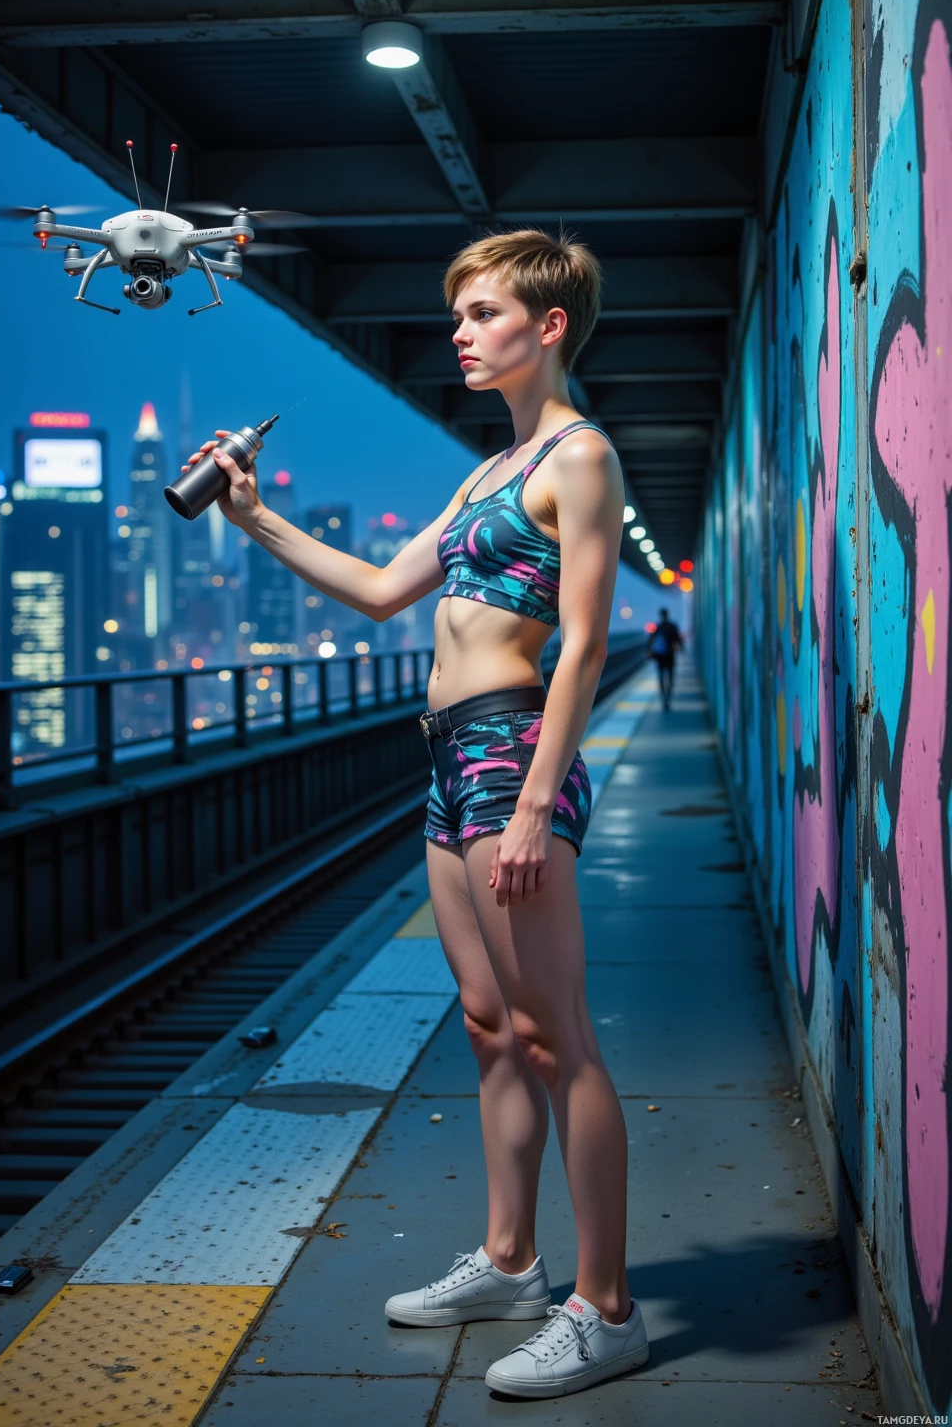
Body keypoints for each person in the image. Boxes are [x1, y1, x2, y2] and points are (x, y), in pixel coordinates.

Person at [181, 228, 649, 1400]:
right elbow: (388, 592)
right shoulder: (487, 473)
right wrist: (252, 520)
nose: (459, 332)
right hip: (444, 759)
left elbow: (586, 640)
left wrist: (541, 797)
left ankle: (606, 1309)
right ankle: (508, 1264)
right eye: (458, 314)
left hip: (506, 755)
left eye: (483, 313)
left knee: (555, 1037)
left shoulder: (577, 458)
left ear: (546, 327)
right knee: (489, 1027)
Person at [647, 606, 684, 710]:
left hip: (659, 656)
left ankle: (663, 698)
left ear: (660, 615)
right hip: (670, 655)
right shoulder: (672, 626)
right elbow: (678, 639)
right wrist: (681, 650)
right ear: (667, 615)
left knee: (661, 677)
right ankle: (668, 697)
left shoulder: (658, 627)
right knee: (671, 676)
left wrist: (649, 653)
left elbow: (650, 641)